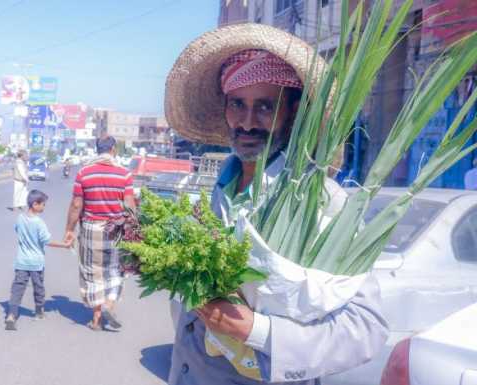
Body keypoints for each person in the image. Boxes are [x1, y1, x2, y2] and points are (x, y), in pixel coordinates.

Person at [164, 24, 388, 384]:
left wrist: (256, 330)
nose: (248, 123)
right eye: (238, 104)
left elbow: (365, 327)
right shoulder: (220, 188)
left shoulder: (321, 202)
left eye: (265, 107)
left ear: (294, 113)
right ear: (225, 108)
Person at [62, 135, 136, 331]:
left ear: (97, 149)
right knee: (116, 270)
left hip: (91, 228)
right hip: (117, 229)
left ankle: (96, 318)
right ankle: (109, 305)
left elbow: (77, 204)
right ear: (113, 150)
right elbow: (129, 204)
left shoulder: (84, 173)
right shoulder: (124, 174)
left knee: (93, 272)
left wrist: (69, 229)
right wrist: (133, 230)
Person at [5, 189, 69, 331]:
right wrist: (64, 245)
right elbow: (47, 241)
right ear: (35, 204)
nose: (44, 207)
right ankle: (39, 312)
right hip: (36, 263)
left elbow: (17, 230)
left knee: (17, 289)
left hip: (21, 262)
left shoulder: (20, 218)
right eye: (43, 205)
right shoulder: (39, 223)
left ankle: (11, 315)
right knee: (38, 287)